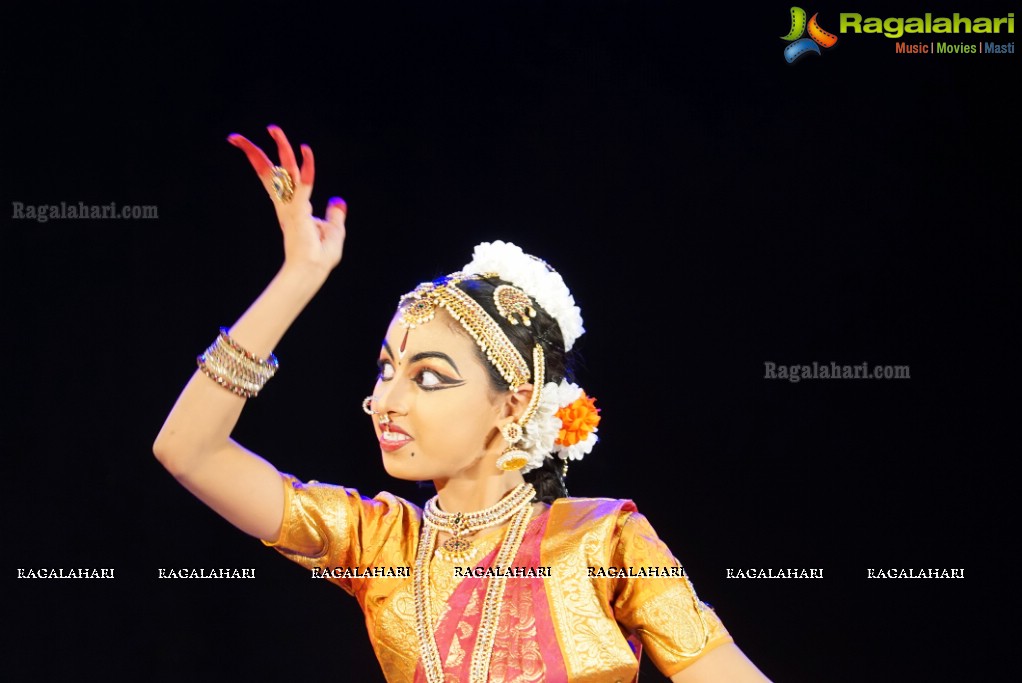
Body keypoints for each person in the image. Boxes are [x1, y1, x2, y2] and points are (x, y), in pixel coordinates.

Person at [153, 125, 772, 683]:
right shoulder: (381, 546)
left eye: (427, 379)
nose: (382, 401)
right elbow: (189, 450)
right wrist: (297, 278)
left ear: (513, 404)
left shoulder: (604, 540)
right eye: (386, 369)